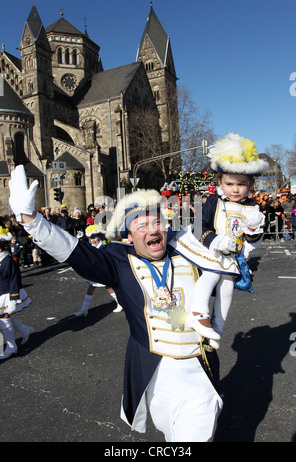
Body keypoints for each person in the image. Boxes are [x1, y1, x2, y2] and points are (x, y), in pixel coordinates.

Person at [9, 166, 229, 442]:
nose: (154, 230)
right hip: (154, 378)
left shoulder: (188, 251)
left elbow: (229, 240)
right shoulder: (118, 262)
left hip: (199, 375)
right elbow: (74, 251)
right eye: (143, 226)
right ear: (128, 236)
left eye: (158, 222)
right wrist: (31, 220)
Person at [170, 133, 269, 348]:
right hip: (210, 249)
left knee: (227, 286)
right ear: (220, 182)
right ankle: (199, 312)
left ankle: (217, 328)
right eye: (230, 183)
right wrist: (215, 241)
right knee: (213, 273)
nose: (235, 189)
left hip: (231, 256)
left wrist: (253, 227)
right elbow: (199, 226)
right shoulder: (214, 201)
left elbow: (253, 239)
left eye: (241, 184)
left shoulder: (252, 206)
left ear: (250, 183)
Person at [0, 226, 34, 360]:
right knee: (2, 318)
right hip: (1, 292)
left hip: (9, 294)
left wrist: (14, 299)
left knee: (4, 318)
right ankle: (25, 329)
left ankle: (12, 347)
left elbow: (15, 280)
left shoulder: (8, 261)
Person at [74, 224, 122, 317]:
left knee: (109, 288)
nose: (93, 240)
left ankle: (120, 303)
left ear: (99, 237)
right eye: (91, 238)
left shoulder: (103, 247)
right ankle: (84, 309)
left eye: (95, 238)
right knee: (91, 289)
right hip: (94, 272)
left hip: (103, 271)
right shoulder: (91, 245)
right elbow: (83, 247)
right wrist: (79, 239)